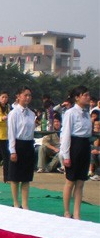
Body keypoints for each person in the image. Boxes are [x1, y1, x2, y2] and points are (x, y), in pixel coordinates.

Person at [61, 86, 92, 219]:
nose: (87, 97)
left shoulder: (87, 113)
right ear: (77, 97)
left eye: (88, 95)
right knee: (70, 181)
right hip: (74, 145)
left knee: (80, 182)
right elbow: (66, 134)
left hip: (85, 145)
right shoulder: (71, 113)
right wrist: (66, 155)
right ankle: (67, 211)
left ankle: (77, 213)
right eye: (85, 95)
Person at [7, 86, 36, 209]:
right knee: (15, 177)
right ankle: (16, 203)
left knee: (26, 177)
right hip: (18, 145)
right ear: (18, 96)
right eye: (25, 95)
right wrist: (13, 150)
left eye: (29, 95)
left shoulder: (32, 114)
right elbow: (11, 133)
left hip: (28, 145)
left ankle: (25, 204)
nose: (28, 98)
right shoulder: (14, 113)